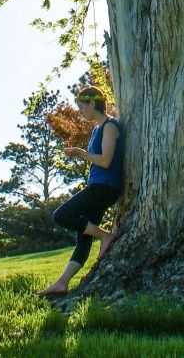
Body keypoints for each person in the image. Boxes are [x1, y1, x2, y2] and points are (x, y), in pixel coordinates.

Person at [37, 85, 124, 296]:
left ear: (93, 104)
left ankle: (105, 236)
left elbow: (105, 160)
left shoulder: (110, 126)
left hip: (106, 187)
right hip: (97, 186)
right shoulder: (96, 129)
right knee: (83, 236)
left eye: (82, 106)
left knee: (62, 215)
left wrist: (81, 153)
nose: (80, 111)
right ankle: (62, 283)